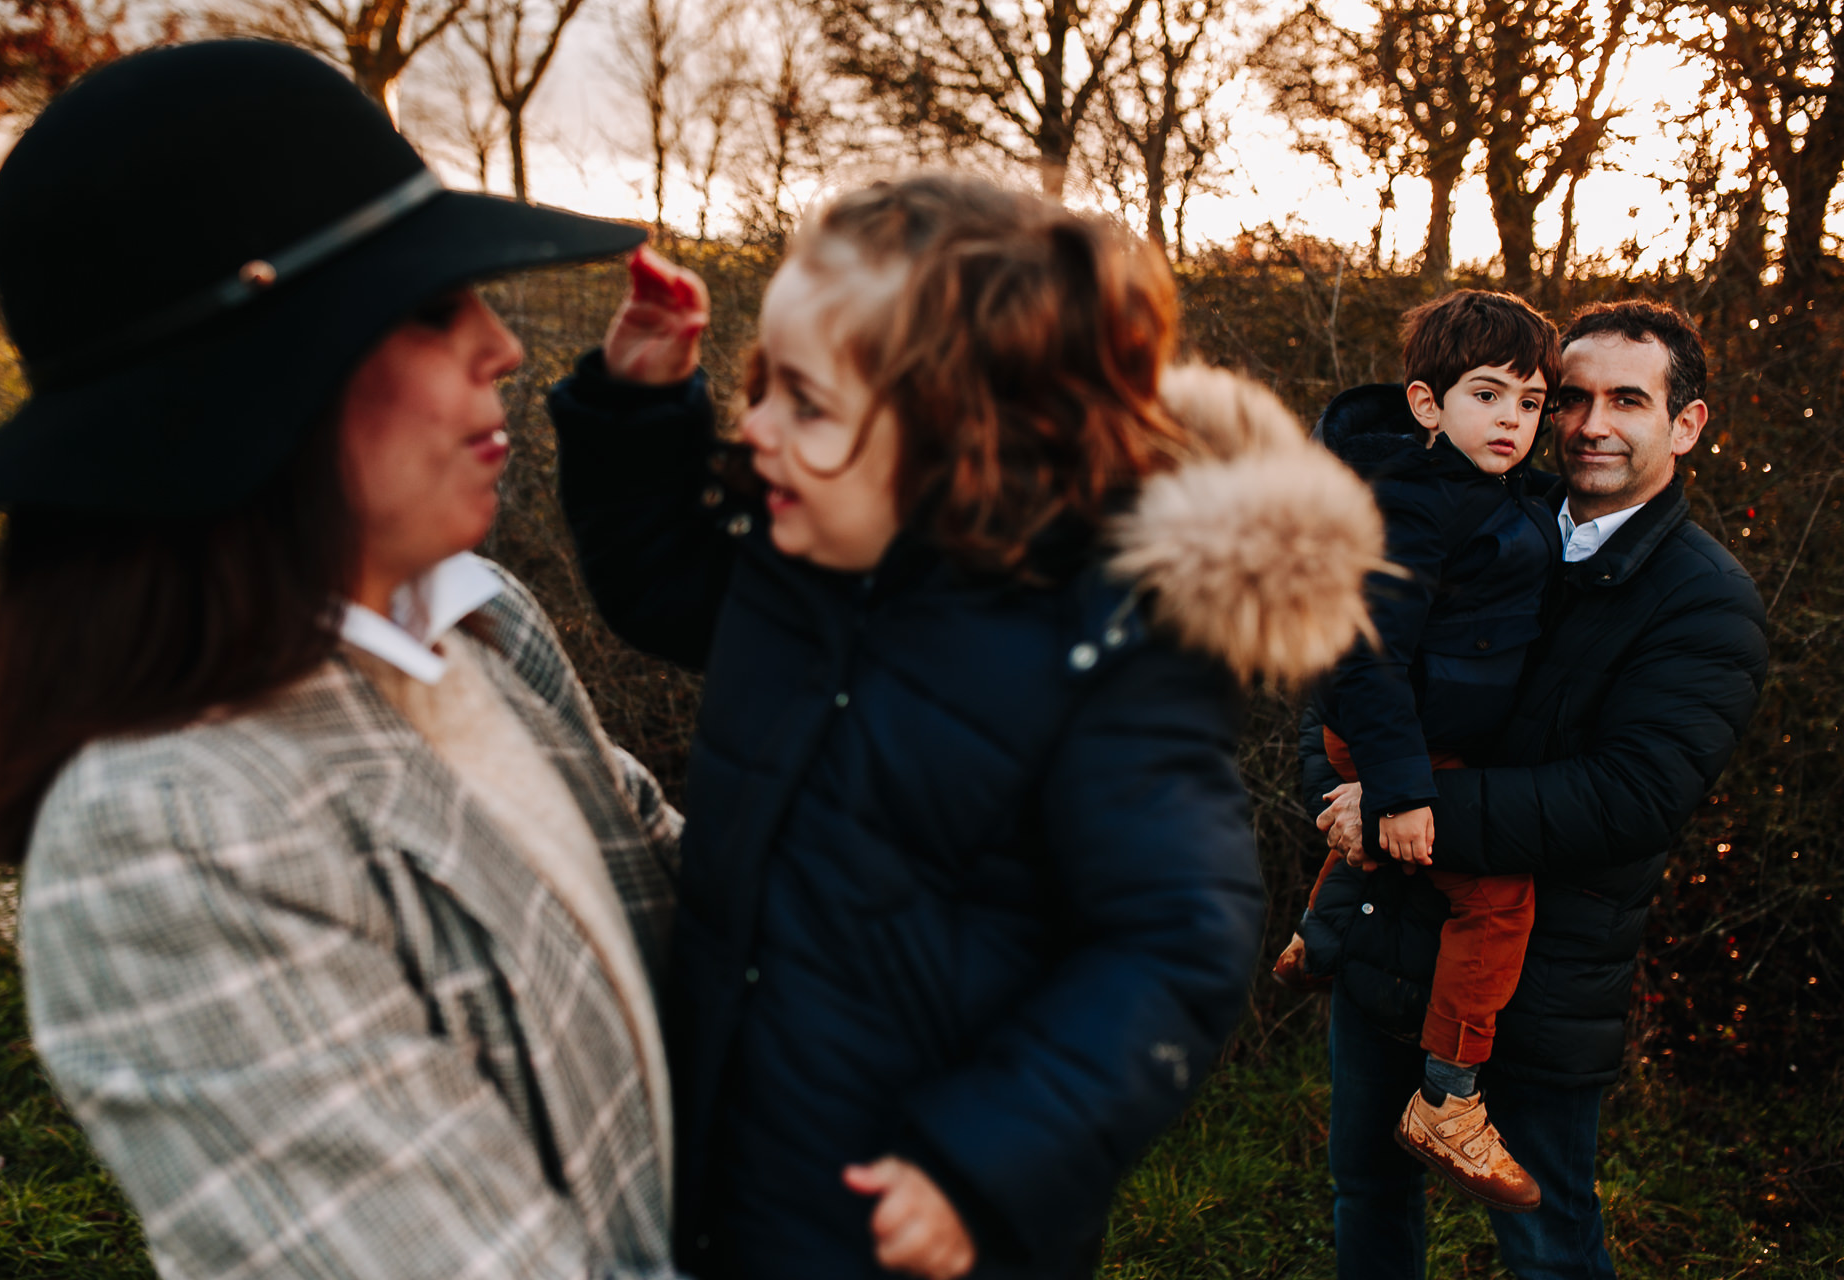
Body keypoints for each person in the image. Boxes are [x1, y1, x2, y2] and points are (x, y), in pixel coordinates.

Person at [0, 41, 688, 1278]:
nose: (503, 346)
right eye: (435, 306)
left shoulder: (475, 624)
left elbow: (717, 919)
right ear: (256, 382)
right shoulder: (170, 835)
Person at [547, 175, 1384, 1279]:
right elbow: (658, 585)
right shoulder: (801, 564)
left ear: (957, 432)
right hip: (735, 1143)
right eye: (760, 384)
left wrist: (982, 1160)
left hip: (923, 1212)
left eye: (805, 400)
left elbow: (1173, 945)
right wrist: (639, 408)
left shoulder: (1103, 650)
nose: (752, 426)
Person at [1306, 299, 1768, 1279]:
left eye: (1628, 399)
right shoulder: (1489, 513)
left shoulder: (1703, 598)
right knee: (1369, 1200)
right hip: (1391, 946)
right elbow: (1351, 666)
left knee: (1548, 1240)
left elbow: (1631, 796)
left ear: (1684, 424)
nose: (1591, 422)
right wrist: (1343, 790)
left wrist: (1398, 809)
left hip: (1548, 978)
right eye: (1572, 396)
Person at [1272, 290, 1562, 1212]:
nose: (1513, 419)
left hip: (1414, 738)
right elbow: (1365, 650)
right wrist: (1397, 789)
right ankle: (1449, 1099)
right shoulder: (1412, 501)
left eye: (1531, 401)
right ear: (1427, 405)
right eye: (1488, 395)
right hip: (1396, 736)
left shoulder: (1487, 489)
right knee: (1498, 899)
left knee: (1406, 857)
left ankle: (1317, 940)